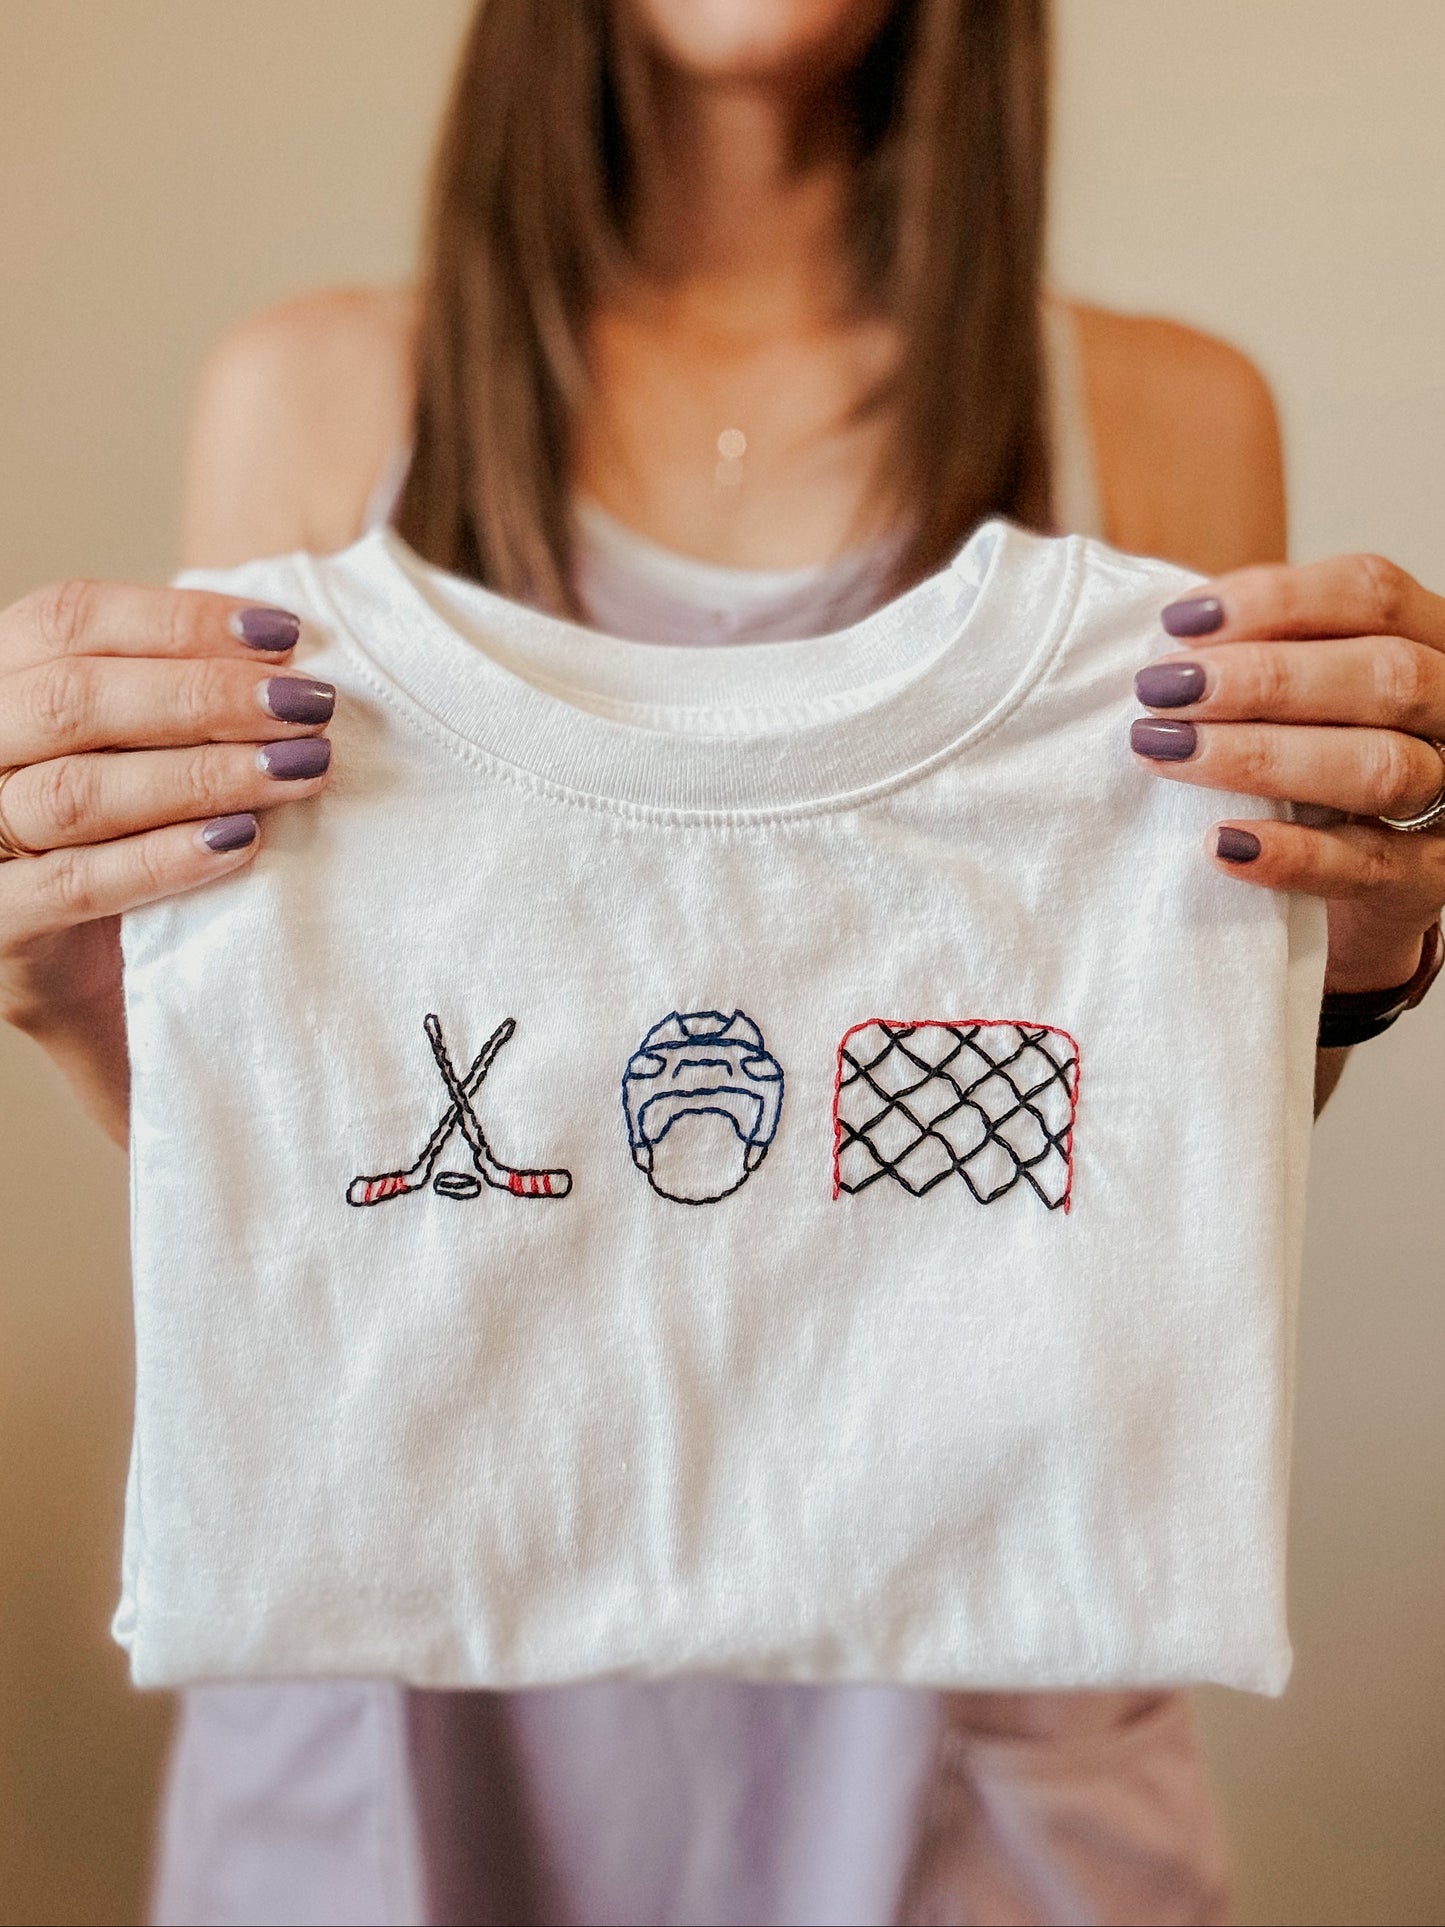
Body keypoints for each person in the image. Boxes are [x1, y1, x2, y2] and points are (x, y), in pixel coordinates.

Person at [3, 1, 1444, 1921]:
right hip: (392, 1711)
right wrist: (89, 1000)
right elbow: (306, 1173)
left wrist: (1350, 961)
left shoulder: (1163, 417)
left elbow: (1156, 1164)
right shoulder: (312, 398)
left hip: (971, 1717)